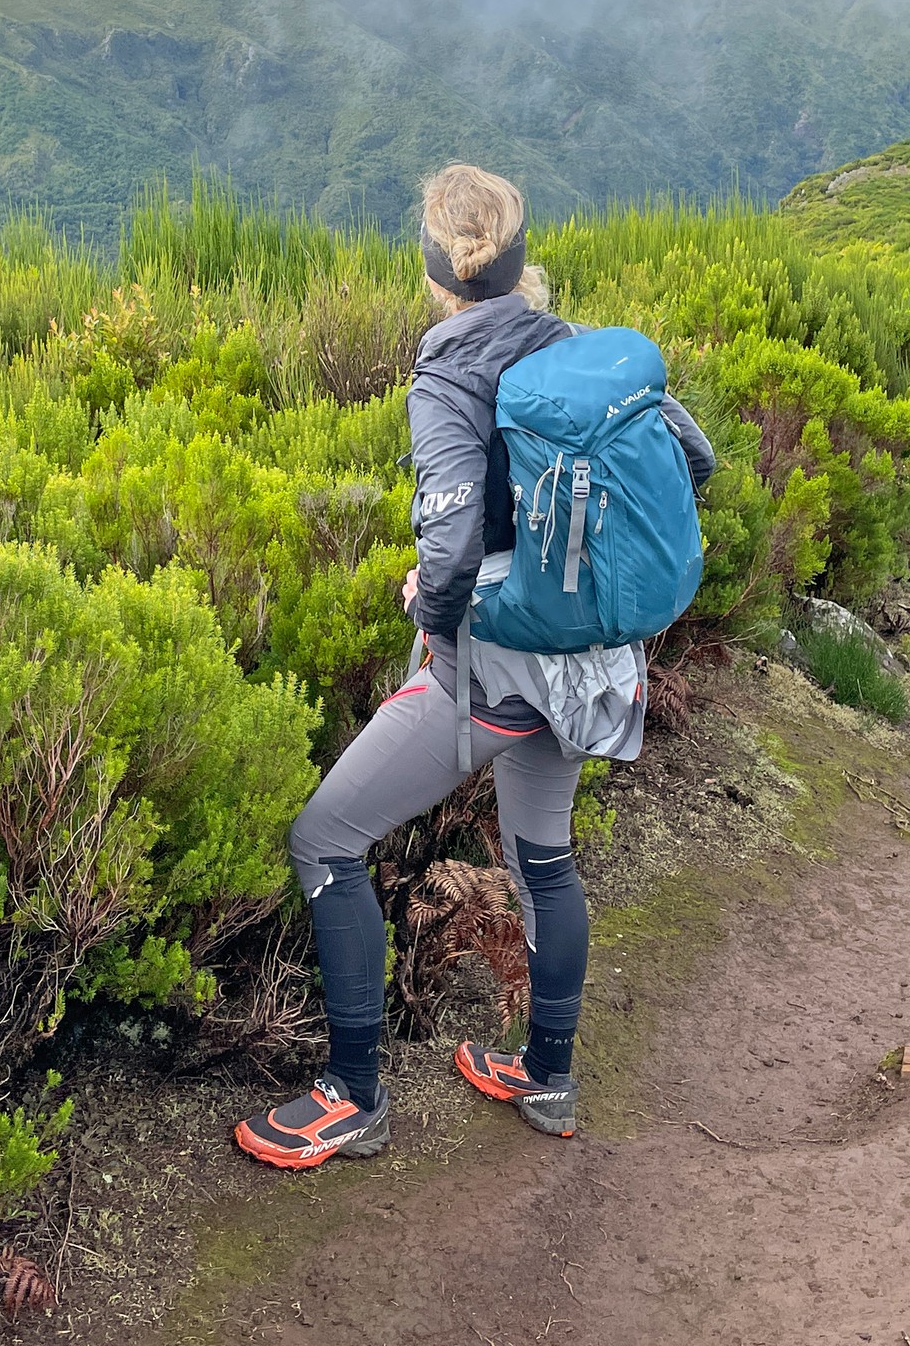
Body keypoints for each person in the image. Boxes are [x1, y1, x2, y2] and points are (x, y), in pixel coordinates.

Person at [234, 165, 716, 1169]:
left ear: (433, 270)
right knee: (542, 857)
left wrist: (437, 613)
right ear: (517, 256)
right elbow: (694, 458)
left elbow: (448, 551)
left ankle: (352, 1099)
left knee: (325, 839)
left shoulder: (447, 378)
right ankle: (547, 1076)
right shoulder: (577, 351)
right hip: (590, 662)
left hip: (494, 669)